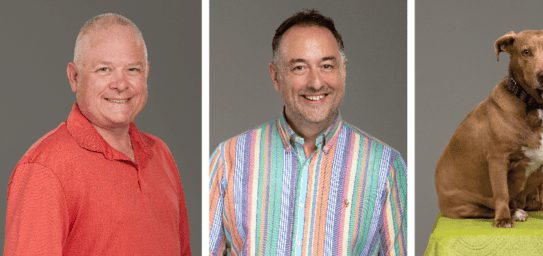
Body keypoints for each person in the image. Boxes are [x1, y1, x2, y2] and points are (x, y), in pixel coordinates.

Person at [208, 9, 407, 255]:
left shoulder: (385, 167)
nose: (315, 82)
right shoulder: (227, 160)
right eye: (300, 67)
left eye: (326, 65)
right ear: (276, 76)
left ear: (343, 72)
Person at [5, 13, 191, 255]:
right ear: (74, 77)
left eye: (132, 69)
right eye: (104, 69)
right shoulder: (45, 168)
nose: (120, 84)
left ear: (146, 73)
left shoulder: (161, 155)